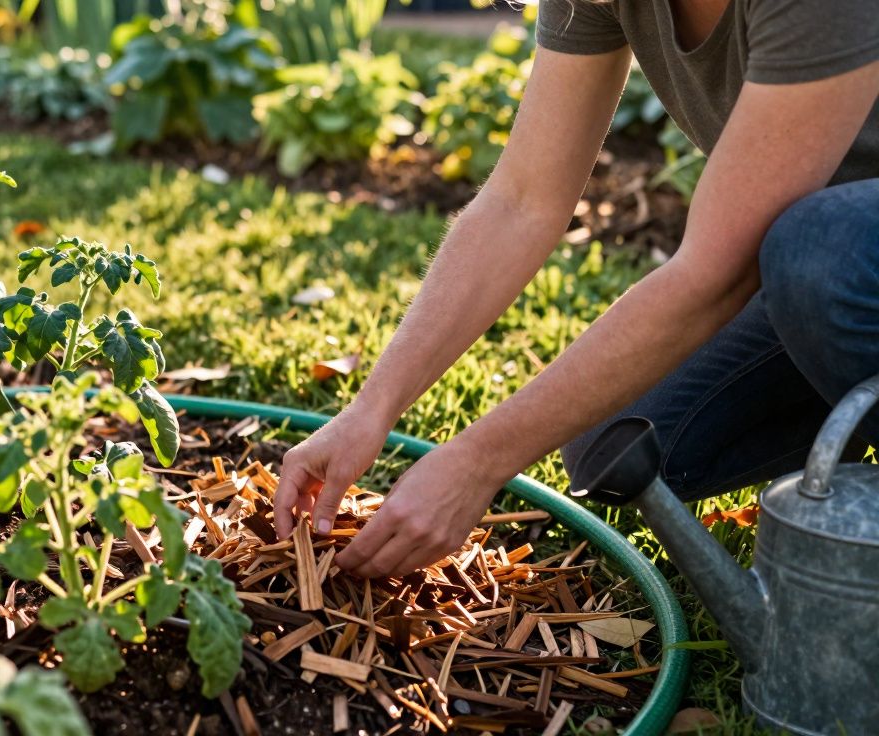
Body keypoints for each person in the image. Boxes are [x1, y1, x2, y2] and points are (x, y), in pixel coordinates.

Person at [274, 0, 879, 579]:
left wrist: (475, 463)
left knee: (817, 251)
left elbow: (714, 276)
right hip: (842, 277)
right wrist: (370, 410)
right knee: (615, 436)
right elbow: (521, 202)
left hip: (838, 259)